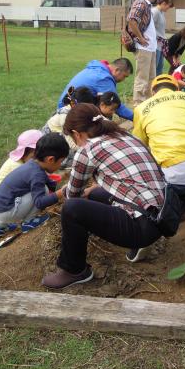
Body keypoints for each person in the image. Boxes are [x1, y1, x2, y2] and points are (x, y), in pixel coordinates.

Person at [41, 104, 167, 289]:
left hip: (141, 229)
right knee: (97, 193)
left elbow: (73, 195)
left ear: (77, 133)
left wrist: (60, 194)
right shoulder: (126, 136)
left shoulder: (87, 151)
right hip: (163, 216)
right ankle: (140, 244)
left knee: (72, 209)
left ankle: (74, 270)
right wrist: (93, 189)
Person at [133, 75, 185, 211]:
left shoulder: (141, 109)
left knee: (160, 166)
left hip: (176, 177)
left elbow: (139, 145)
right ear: (177, 89)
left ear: (153, 92)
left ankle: (178, 201)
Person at [0, 133, 69, 238]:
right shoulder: (37, 174)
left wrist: (61, 179)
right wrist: (61, 193)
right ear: (50, 159)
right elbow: (40, 202)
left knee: (27, 191)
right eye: (61, 161)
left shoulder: (32, 164)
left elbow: (49, 182)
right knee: (43, 190)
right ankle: (29, 222)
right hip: (7, 211)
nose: (60, 165)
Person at [57, 58, 133, 121]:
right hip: (68, 113)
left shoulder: (97, 68)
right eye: (124, 76)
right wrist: (136, 117)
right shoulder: (103, 78)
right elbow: (115, 104)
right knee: (108, 108)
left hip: (63, 106)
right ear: (116, 70)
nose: (123, 80)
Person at [127, 0, 160, 106]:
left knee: (151, 79)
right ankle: (138, 106)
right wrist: (140, 38)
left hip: (150, 48)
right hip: (144, 48)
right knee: (142, 79)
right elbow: (131, 20)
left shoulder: (146, 3)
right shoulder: (141, 2)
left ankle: (148, 104)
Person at [152, 0, 174, 76]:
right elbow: (150, 28)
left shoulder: (161, 12)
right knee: (154, 68)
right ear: (164, 3)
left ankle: (158, 86)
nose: (169, 8)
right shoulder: (155, 12)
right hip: (155, 45)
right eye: (168, 5)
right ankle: (152, 86)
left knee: (160, 67)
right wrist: (157, 38)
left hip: (161, 45)